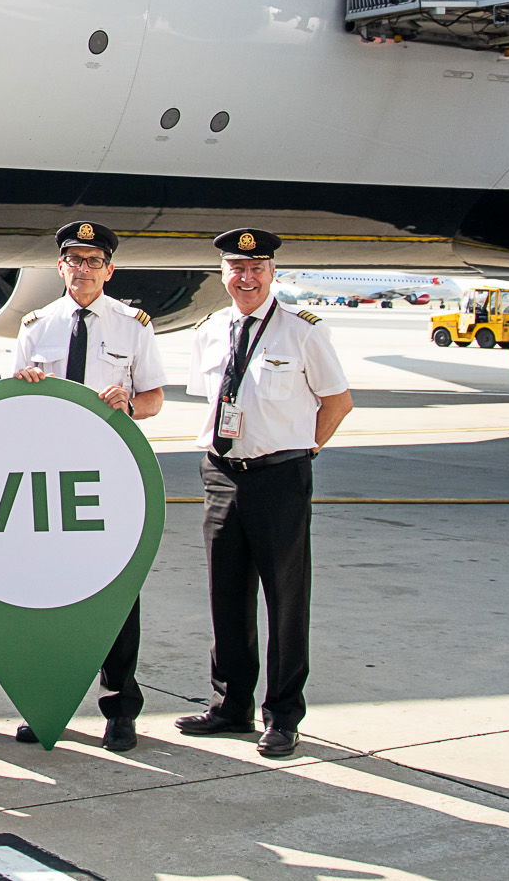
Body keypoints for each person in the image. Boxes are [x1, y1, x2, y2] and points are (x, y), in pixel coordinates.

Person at [177, 228, 352, 760]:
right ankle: (230, 706)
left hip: (279, 476)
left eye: (256, 268)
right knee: (225, 595)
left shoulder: (302, 332)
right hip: (221, 474)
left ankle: (282, 715)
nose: (245, 278)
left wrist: (304, 450)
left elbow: (338, 402)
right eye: (236, 269)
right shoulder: (211, 331)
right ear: (223, 274)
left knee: (285, 600)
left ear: (272, 272)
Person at [9, 221, 165, 752]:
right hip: (48, 477)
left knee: (116, 597)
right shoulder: (36, 325)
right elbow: (14, 405)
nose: (83, 269)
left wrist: (130, 404)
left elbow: (154, 400)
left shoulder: (133, 325)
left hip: (109, 474)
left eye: (94, 261)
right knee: (49, 592)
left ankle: (120, 710)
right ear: (60, 267)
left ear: (109, 270)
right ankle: (48, 702)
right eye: (74, 260)